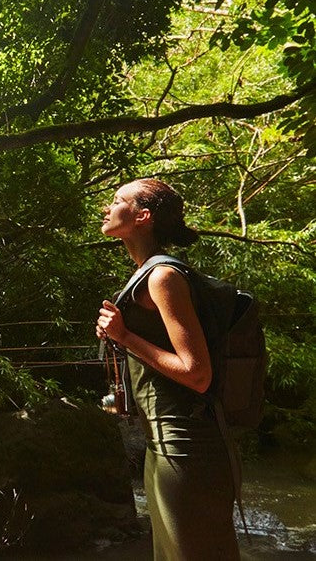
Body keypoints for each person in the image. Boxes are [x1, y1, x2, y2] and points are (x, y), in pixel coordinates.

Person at [95, 177, 239, 560]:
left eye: (116, 200)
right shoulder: (145, 274)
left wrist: (124, 336)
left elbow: (197, 373)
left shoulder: (163, 277)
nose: (106, 209)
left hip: (187, 447)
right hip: (162, 444)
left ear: (143, 216)